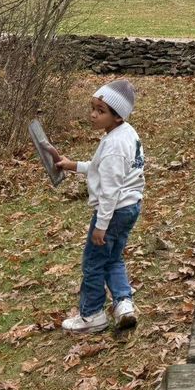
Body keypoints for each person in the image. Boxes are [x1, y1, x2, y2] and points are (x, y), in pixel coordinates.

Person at [53, 79, 145, 333]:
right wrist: (73, 166)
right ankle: (124, 304)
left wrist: (101, 225)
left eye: (101, 111)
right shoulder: (125, 133)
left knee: (93, 262)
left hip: (114, 211)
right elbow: (101, 168)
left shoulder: (114, 145)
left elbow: (111, 189)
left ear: (117, 116)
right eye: (92, 107)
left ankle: (92, 314)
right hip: (129, 206)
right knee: (113, 258)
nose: (93, 114)